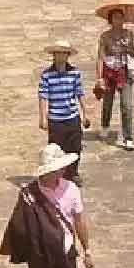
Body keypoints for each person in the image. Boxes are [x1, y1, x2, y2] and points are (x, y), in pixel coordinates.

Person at [38, 40, 88, 184]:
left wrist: (86, 113)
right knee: (56, 149)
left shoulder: (74, 73)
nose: (61, 56)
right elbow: (43, 96)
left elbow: (80, 93)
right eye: (58, 53)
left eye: (64, 53)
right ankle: (57, 175)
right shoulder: (47, 75)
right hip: (55, 119)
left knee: (75, 147)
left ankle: (73, 173)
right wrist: (43, 117)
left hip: (72, 116)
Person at [96, 8, 134, 151]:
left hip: (124, 72)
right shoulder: (105, 37)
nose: (118, 21)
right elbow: (100, 57)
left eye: (121, 18)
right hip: (109, 72)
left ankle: (128, 137)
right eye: (115, 18)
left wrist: (127, 47)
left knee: (126, 105)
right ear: (110, 20)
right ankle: (105, 125)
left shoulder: (128, 35)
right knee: (107, 102)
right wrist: (99, 77)